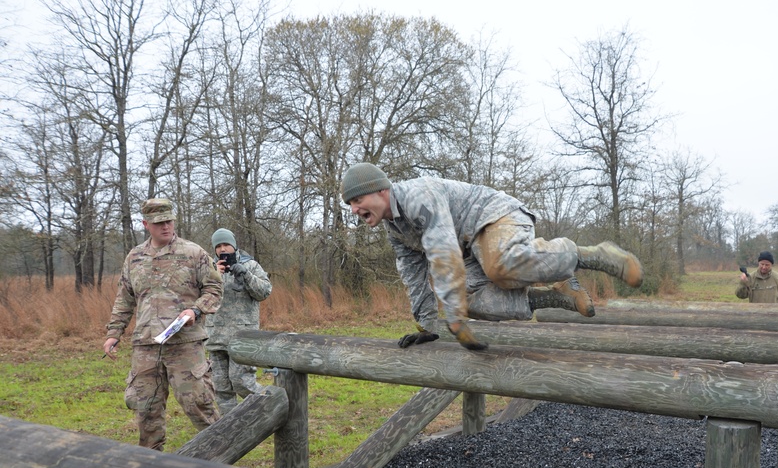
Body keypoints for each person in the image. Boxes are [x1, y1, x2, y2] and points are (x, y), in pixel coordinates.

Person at [341, 162, 644, 351]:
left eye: (357, 200)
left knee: (498, 266)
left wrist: (455, 318)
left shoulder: (418, 196)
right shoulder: (395, 230)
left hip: (495, 217)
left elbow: (443, 252)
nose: (354, 210)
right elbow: (414, 277)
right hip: (470, 248)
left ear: (380, 191)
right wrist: (428, 327)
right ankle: (559, 295)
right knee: (469, 299)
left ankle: (593, 255)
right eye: (350, 205)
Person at [102, 198, 224, 450]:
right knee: (145, 407)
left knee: (199, 404)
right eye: (159, 223)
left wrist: (196, 310)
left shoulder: (193, 253)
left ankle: (224, 454)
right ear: (146, 224)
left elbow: (214, 288)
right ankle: (152, 463)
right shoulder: (134, 257)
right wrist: (114, 333)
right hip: (146, 345)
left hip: (185, 344)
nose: (165, 227)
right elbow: (124, 298)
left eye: (169, 221)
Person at [205, 228, 273, 414]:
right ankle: (232, 425)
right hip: (215, 336)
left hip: (242, 336)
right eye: (218, 246)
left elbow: (265, 292)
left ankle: (273, 407)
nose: (223, 249)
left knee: (242, 381)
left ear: (234, 245)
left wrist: (246, 275)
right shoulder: (208, 267)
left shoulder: (250, 265)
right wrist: (213, 275)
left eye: (226, 244)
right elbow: (195, 295)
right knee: (221, 386)